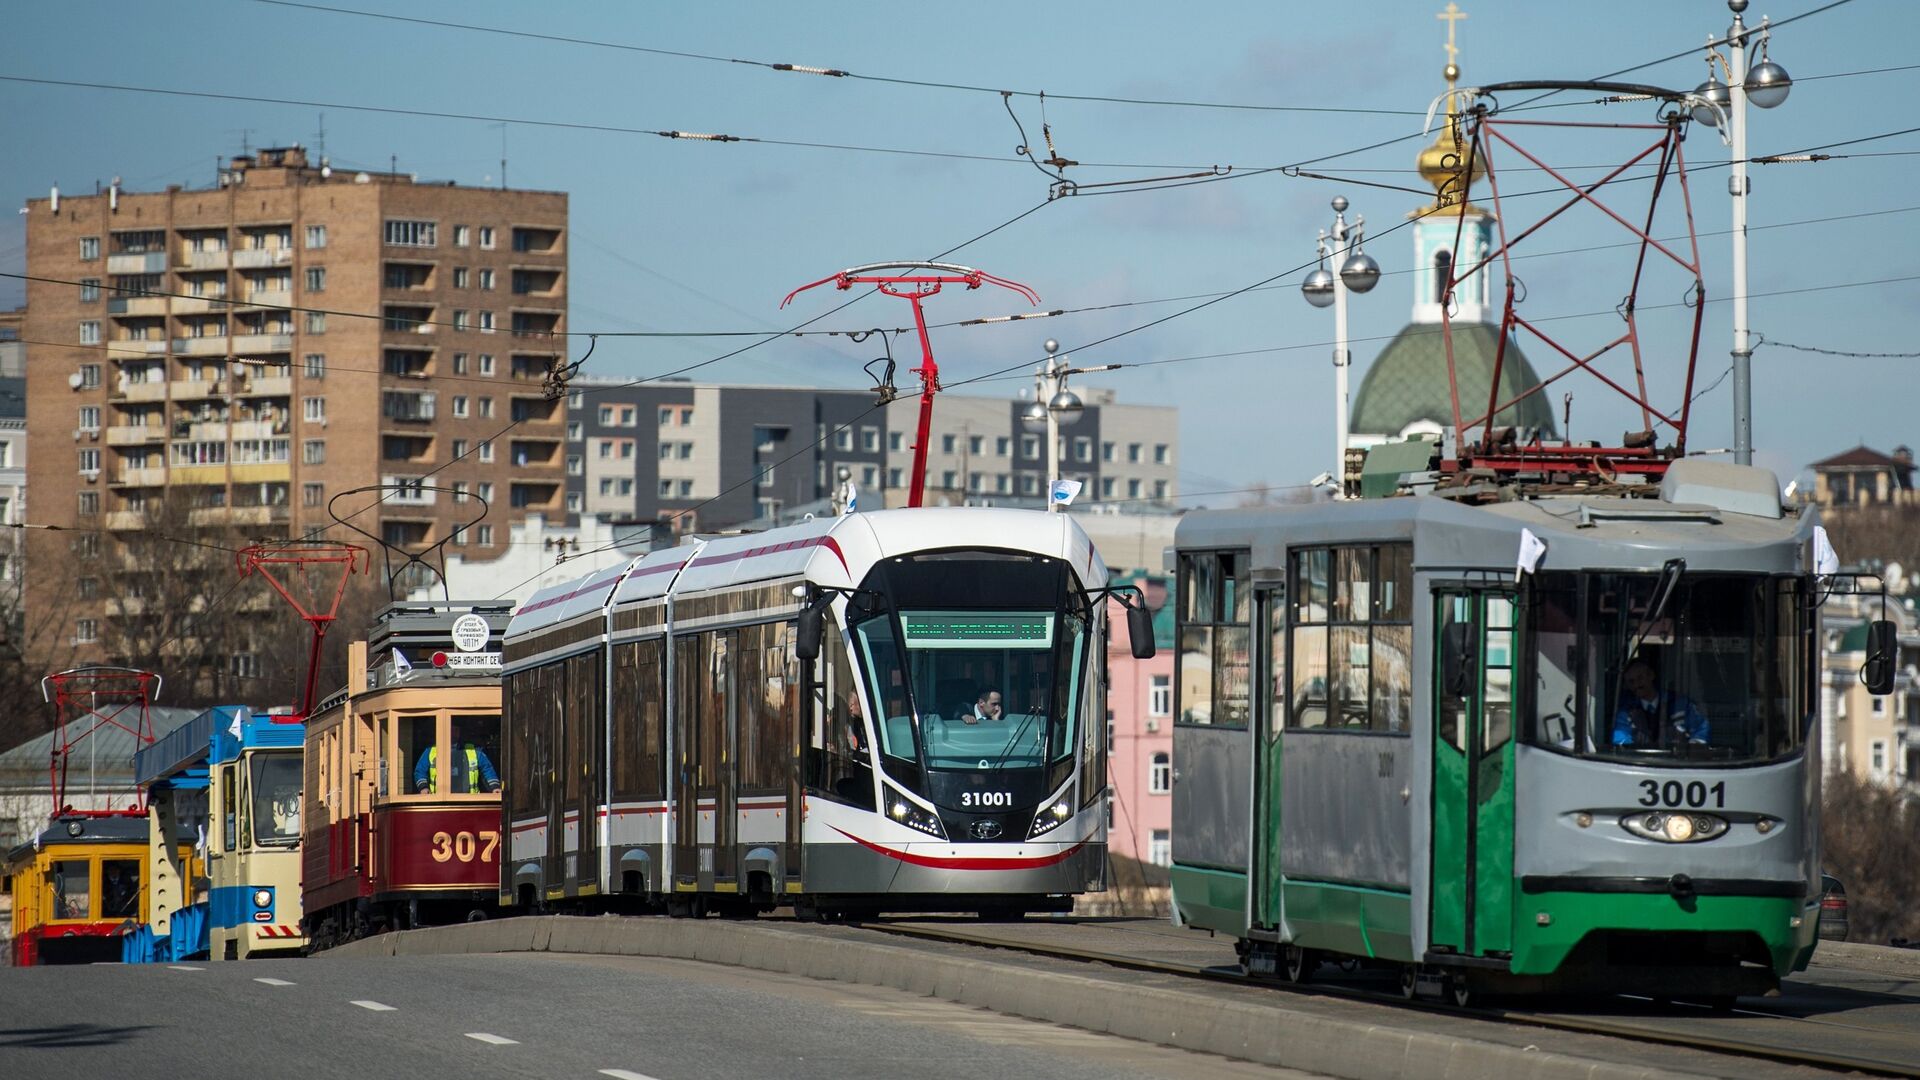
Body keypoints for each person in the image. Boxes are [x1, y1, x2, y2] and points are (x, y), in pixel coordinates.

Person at [1612, 659, 1709, 748]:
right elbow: (1621, 739)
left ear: (1651, 675)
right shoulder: (1626, 712)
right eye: (1631, 682)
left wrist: (1694, 747)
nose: (1636, 685)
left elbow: (1700, 730)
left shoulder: (1681, 704)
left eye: (1640, 678)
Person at [415, 724, 502, 794]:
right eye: (451, 729)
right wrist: (423, 787)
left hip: (470, 802)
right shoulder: (431, 751)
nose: (453, 732)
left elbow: (487, 769)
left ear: (460, 732)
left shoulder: (473, 751)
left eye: (456, 730)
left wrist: (495, 787)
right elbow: (420, 771)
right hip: (439, 803)